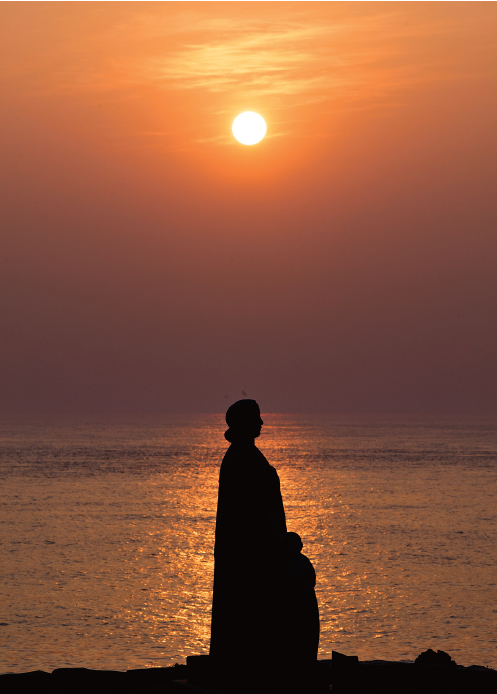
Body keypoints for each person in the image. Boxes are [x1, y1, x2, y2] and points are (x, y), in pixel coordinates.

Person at [210, 399, 288, 689]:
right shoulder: (245, 458)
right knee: (251, 615)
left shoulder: (243, 456)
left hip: (249, 552)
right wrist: (276, 544)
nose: (262, 423)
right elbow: (257, 512)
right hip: (251, 556)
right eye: (257, 418)